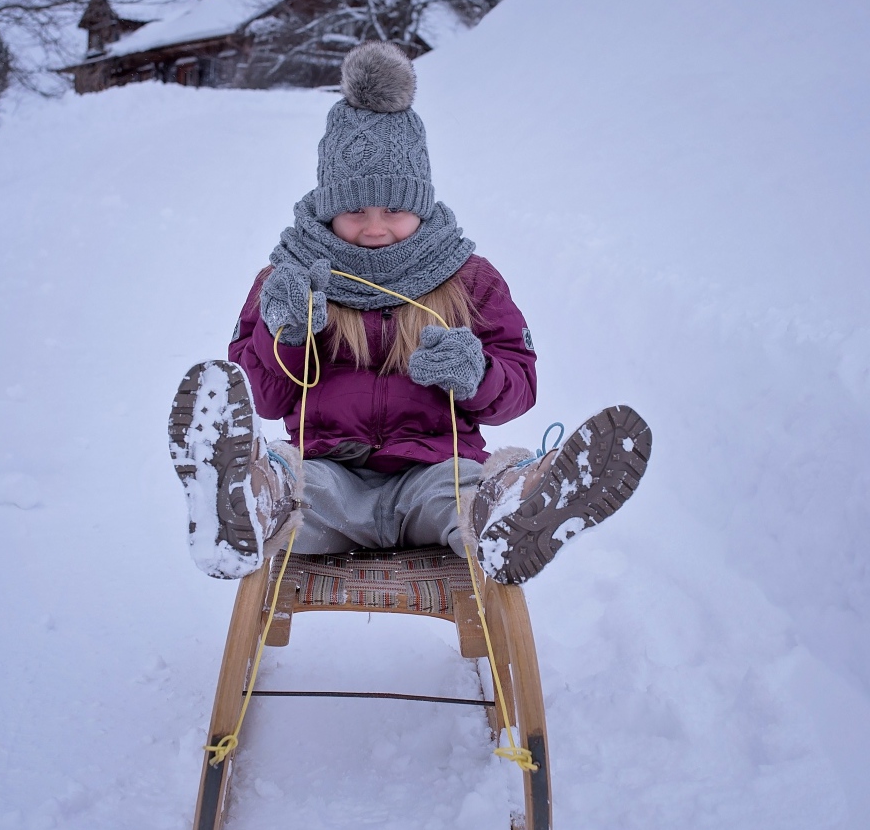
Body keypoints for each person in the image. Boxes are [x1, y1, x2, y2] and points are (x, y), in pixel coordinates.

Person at [167, 42, 650, 584]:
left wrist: (478, 375)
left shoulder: (467, 278)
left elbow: (520, 384)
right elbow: (269, 398)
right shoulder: (290, 278)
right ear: (329, 209)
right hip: (329, 476)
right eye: (355, 211)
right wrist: (287, 334)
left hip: (433, 474)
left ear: (419, 203)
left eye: (394, 209)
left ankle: (517, 510)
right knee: (292, 486)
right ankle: (242, 503)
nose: (375, 227)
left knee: (468, 496)